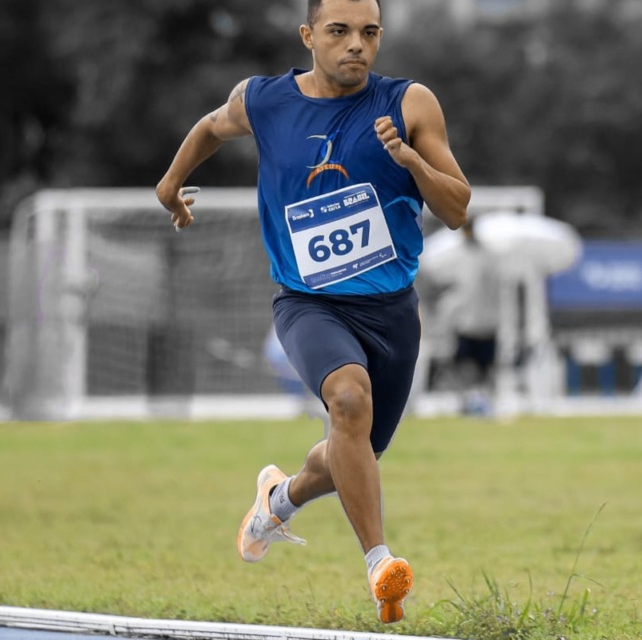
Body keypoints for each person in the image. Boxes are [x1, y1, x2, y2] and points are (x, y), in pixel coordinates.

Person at [155, 0, 470, 624]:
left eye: (369, 32)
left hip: (391, 312)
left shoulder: (410, 104)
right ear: (308, 36)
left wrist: (409, 160)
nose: (356, 44)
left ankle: (278, 500)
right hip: (308, 302)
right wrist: (170, 184)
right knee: (348, 402)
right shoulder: (266, 100)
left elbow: (459, 207)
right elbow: (211, 128)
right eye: (339, 31)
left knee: (350, 454)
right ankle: (381, 564)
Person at [435, 220, 502, 415]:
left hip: (483, 323)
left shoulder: (486, 257)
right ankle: (469, 402)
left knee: (484, 368)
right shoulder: (462, 257)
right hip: (468, 323)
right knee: (467, 367)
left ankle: (484, 402)